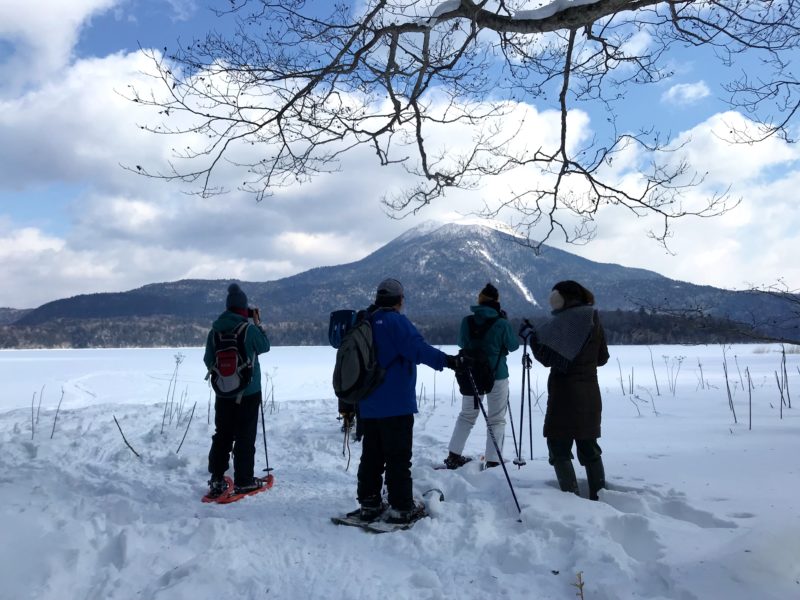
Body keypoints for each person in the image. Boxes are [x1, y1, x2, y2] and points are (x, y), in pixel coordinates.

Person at [356, 278, 458, 523]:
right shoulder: (395, 322)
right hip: (395, 403)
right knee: (397, 456)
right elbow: (418, 349)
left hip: (368, 402)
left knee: (371, 455)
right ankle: (402, 506)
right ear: (399, 300)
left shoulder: (365, 321)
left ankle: (369, 503)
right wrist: (449, 361)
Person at [522, 280, 609, 500]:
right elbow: (602, 358)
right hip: (590, 395)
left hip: (565, 397)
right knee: (589, 447)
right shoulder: (593, 318)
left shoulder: (566, 320)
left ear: (562, 299)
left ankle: (570, 499)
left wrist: (531, 337)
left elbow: (547, 357)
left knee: (558, 446)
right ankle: (601, 497)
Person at [204, 283, 271, 496]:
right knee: (245, 435)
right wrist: (258, 323)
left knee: (222, 434)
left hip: (223, 392)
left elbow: (208, 360)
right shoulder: (248, 329)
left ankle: (216, 479)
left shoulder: (214, 331)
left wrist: (226, 377)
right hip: (249, 393)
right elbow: (264, 346)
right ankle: (243, 480)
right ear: (244, 309)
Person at [444, 283, 519, 470]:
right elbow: (513, 346)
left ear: (479, 300)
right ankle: (493, 461)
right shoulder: (502, 323)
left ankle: (454, 456)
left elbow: (461, 342)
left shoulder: (467, 321)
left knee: (467, 416)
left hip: (470, 374)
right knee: (496, 418)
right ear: (497, 301)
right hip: (497, 375)